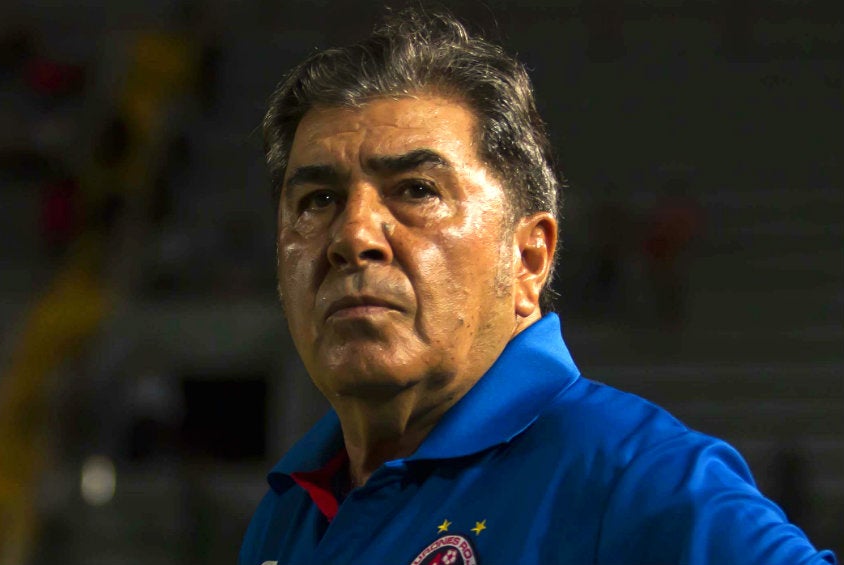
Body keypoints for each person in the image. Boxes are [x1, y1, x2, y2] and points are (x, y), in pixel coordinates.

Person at [239, 9, 835, 565]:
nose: (353, 235)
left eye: (417, 189)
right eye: (317, 200)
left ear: (528, 258)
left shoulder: (635, 477)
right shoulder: (288, 511)